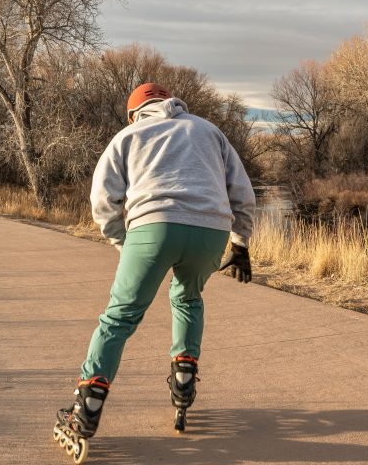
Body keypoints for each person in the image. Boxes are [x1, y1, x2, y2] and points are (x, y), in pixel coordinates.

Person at [56, 82, 255, 443]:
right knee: (188, 299)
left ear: (135, 113)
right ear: (172, 103)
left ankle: (87, 404)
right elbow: (241, 191)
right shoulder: (208, 130)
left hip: (153, 227)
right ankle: (183, 377)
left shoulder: (129, 134)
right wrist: (240, 243)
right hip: (210, 231)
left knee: (120, 316)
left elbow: (103, 199)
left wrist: (122, 240)